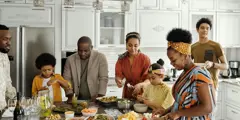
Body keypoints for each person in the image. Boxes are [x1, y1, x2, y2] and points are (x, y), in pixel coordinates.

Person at [153, 28, 216, 120]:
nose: (171, 63)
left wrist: (178, 113)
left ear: (185, 55)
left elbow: (207, 107)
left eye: (173, 60)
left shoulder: (199, 74)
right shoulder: (184, 73)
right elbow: (180, 102)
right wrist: (165, 111)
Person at [63, 36, 108, 101]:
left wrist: (100, 96)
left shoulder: (100, 58)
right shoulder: (70, 60)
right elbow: (67, 79)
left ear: (91, 48)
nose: (82, 53)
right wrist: (70, 95)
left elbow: (103, 78)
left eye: (86, 51)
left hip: (95, 97)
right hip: (77, 98)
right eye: (80, 50)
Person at [191, 18, 228, 89]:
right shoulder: (193, 47)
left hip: (212, 84)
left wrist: (212, 64)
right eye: (202, 28)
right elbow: (188, 65)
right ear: (197, 30)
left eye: (207, 28)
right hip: (197, 84)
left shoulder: (216, 46)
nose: (205, 30)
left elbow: (225, 66)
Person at [115, 32, 151, 99]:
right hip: (127, 91)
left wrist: (141, 85)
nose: (133, 48)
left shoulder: (145, 59)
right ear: (126, 45)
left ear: (139, 45)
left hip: (142, 92)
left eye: (135, 45)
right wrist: (119, 81)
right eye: (130, 45)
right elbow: (118, 76)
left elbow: (149, 79)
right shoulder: (121, 59)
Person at [0, 24, 16, 111]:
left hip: (2, 107)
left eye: (10, 39)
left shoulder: (4, 56)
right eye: (5, 39)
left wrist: (14, 99)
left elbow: (7, 81)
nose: (9, 43)